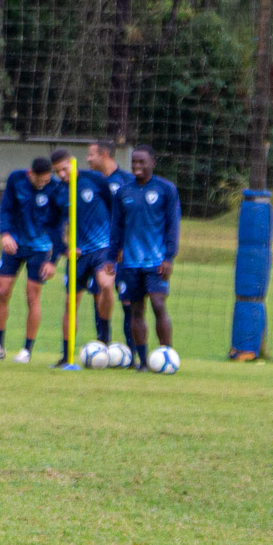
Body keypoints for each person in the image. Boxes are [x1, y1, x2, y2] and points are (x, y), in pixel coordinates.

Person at [0, 157, 63, 364]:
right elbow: (6, 209)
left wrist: (53, 260)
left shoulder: (55, 188)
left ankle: (26, 350)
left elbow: (59, 225)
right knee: (2, 291)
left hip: (40, 249)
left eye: (47, 180)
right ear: (31, 174)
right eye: (40, 181)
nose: (43, 184)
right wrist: (5, 234)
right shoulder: (16, 179)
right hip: (14, 245)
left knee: (32, 296)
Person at [108, 145, 181, 371]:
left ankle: (166, 355)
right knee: (136, 310)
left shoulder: (165, 189)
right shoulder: (124, 192)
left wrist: (169, 257)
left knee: (158, 304)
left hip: (156, 261)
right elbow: (116, 227)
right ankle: (142, 361)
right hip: (130, 263)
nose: (137, 166)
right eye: (134, 162)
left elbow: (173, 225)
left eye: (142, 162)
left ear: (153, 163)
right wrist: (112, 257)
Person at [49, 148, 115, 367]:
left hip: (102, 248)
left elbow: (113, 208)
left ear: (73, 163)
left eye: (65, 169)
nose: (62, 175)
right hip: (77, 256)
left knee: (105, 287)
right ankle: (66, 355)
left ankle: (104, 339)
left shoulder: (95, 180)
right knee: (70, 303)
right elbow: (54, 227)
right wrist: (64, 249)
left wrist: (116, 244)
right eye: (58, 171)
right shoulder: (58, 192)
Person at [87, 139, 136, 365]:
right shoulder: (90, 182)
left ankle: (133, 350)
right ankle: (103, 342)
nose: (88, 159)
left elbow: (135, 216)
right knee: (102, 292)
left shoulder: (127, 181)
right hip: (99, 252)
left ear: (104, 155)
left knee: (127, 299)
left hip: (123, 252)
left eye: (91, 155)